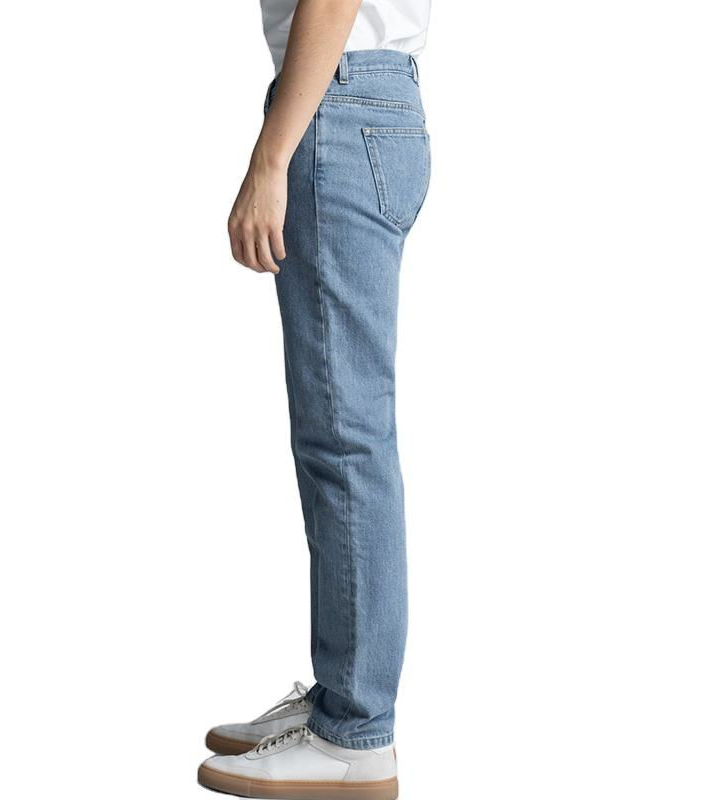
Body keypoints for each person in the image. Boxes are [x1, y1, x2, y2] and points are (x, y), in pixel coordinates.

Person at [198, 2, 430, 797]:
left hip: (336, 104)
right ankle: (340, 700)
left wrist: (270, 159)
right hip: (358, 100)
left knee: (346, 439)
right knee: (341, 433)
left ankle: (356, 733)